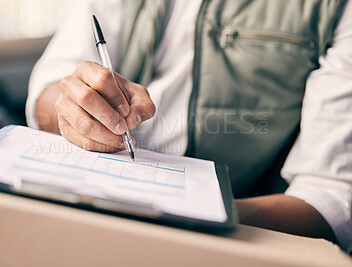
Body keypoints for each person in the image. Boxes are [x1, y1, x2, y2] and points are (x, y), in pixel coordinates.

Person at [26, 0, 352, 253]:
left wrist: (182, 217)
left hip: (228, 236)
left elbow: (333, 199)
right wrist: (74, 108)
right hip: (92, 201)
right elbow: (47, 91)